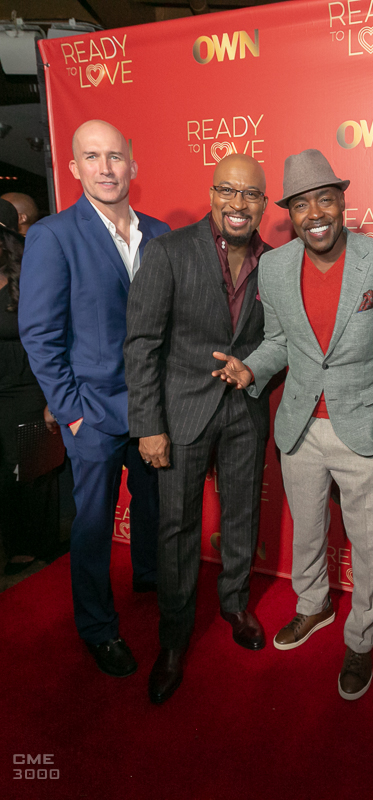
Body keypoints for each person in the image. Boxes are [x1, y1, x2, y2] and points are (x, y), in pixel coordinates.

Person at [213, 149, 373, 701]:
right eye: (301, 205)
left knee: (370, 546)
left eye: (324, 199)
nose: (315, 214)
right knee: (306, 533)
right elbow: (279, 342)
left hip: (366, 430)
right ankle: (314, 605)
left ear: (342, 202)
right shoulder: (276, 267)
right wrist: (249, 368)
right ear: (290, 214)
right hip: (300, 428)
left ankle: (361, 638)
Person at [19, 120, 170, 678]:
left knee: (154, 505)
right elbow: (40, 334)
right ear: (74, 168)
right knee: (92, 525)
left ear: (132, 164)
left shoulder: (159, 234)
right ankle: (98, 627)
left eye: (114, 156)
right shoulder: (53, 236)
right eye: (92, 157)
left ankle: (149, 575)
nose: (105, 168)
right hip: (93, 412)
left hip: (150, 407)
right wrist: (72, 412)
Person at [124, 154, 272, 705]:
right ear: (212, 194)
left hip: (244, 410)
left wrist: (253, 369)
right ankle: (174, 638)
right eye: (228, 190)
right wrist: (148, 425)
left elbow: (278, 338)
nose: (238, 203)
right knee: (177, 529)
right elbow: (142, 344)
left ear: (263, 203)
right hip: (181, 412)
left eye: (250, 194)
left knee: (242, 514)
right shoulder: (168, 252)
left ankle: (234, 604)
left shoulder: (274, 262)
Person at [0, 200, 60, 575]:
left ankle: (37, 544)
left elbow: (52, 334)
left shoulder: (28, 277)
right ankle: (14, 542)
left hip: (28, 386)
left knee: (32, 467)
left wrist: (53, 396)